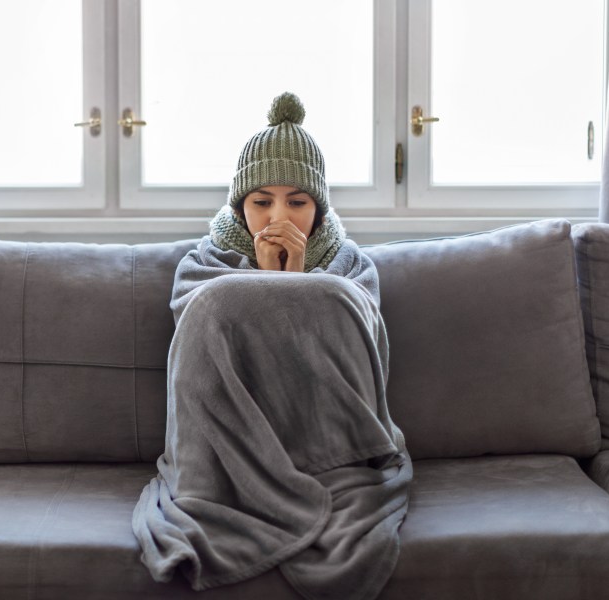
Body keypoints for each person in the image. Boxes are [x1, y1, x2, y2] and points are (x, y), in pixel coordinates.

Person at [132, 92, 412, 600]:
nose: (277, 216)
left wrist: (299, 281)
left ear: (319, 209)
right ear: (240, 208)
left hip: (326, 439)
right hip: (230, 443)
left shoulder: (351, 267)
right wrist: (263, 281)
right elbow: (196, 330)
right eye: (261, 202)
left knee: (334, 297)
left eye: (297, 202)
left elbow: (363, 342)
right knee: (218, 301)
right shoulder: (203, 264)